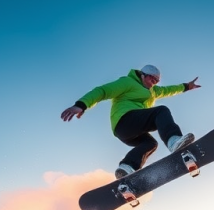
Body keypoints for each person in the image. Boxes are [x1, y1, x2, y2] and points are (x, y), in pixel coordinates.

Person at [61, 63, 201, 178]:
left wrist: (186, 87)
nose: (154, 83)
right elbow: (103, 91)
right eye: (152, 79)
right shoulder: (127, 82)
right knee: (161, 111)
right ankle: (173, 141)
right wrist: (81, 105)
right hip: (125, 120)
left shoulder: (153, 91)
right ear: (142, 75)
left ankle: (126, 167)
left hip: (129, 132)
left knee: (150, 143)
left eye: (157, 81)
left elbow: (168, 90)